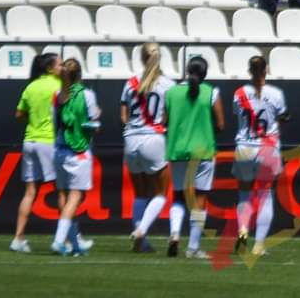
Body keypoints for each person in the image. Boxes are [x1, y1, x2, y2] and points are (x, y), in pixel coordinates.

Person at [164, 55, 224, 259]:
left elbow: (164, 121)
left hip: (178, 150)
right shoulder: (211, 92)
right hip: (203, 151)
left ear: (187, 70)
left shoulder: (171, 92)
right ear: (205, 73)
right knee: (200, 197)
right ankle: (193, 246)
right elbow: (221, 124)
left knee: (179, 197)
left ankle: (174, 234)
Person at [232, 55, 288, 257]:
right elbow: (283, 116)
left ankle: (243, 229)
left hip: (244, 146)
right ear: (266, 70)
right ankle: (259, 244)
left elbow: (238, 115)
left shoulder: (239, 93)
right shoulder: (275, 94)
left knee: (244, 194)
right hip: (267, 147)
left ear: (249, 70)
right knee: (265, 195)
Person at [121, 42, 174, 253]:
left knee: (140, 194)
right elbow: (168, 116)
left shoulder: (130, 83)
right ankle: (141, 231)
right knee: (161, 193)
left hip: (131, 138)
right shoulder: (168, 85)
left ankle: (141, 242)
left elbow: (123, 115)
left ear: (142, 59)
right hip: (154, 138)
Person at [11, 52, 61, 254]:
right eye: (59, 64)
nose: (62, 67)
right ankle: (63, 238)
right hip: (48, 141)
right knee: (63, 191)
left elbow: (18, 114)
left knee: (30, 192)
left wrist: (35, 120)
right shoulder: (58, 86)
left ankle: (18, 238)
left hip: (30, 140)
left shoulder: (30, 86)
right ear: (49, 68)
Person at [50, 58, 100, 256]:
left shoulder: (57, 95)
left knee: (63, 195)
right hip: (78, 151)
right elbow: (94, 124)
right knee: (76, 196)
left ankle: (73, 244)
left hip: (60, 149)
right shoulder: (87, 95)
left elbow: (56, 123)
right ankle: (59, 240)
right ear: (79, 75)